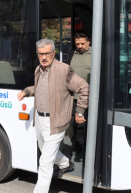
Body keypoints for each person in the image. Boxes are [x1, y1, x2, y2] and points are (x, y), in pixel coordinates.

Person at [17, 38, 89, 193]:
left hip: (55, 121)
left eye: (47, 54)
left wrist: (80, 111)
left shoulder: (64, 70)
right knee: (44, 149)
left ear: (53, 53)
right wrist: (26, 91)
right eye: (41, 54)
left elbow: (84, 88)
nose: (44, 57)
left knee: (45, 161)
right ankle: (65, 164)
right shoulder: (38, 69)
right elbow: (38, 88)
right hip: (40, 118)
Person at [67, 29, 91, 155]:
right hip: (74, 97)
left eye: (82, 43)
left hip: (90, 96)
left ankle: (89, 147)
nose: (80, 46)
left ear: (88, 41)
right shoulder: (72, 54)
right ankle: (78, 145)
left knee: (89, 123)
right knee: (76, 124)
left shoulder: (95, 54)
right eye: (78, 44)